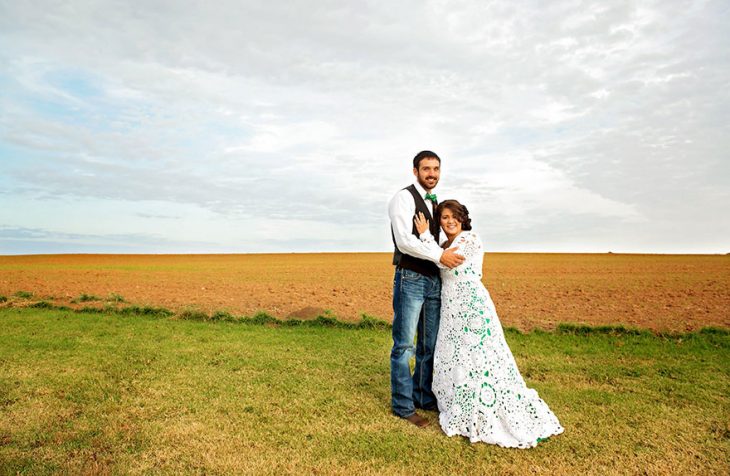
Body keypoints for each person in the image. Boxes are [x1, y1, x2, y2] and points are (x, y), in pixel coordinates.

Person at [415, 200, 564, 447]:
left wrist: (423, 236)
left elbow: (446, 262)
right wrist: (429, 245)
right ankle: (459, 402)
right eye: (443, 217)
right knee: (456, 355)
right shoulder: (443, 244)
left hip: (473, 305)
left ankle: (486, 405)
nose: (449, 221)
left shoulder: (470, 239)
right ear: (439, 222)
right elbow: (439, 257)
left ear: (462, 218)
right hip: (452, 308)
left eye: (454, 216)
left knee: (480, 354)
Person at [388, 151, 465, 428]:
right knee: (405, 346)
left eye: (436, 169)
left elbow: (436, 238)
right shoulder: (403, 198)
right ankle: (402, 405)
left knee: (428, 345)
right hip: (411, 278)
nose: (431, 173)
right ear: (415, 170)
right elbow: (405, 241)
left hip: (434, 280)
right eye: (426, 168)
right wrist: (440, 257)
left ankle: (422, 396)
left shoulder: (436, 204)